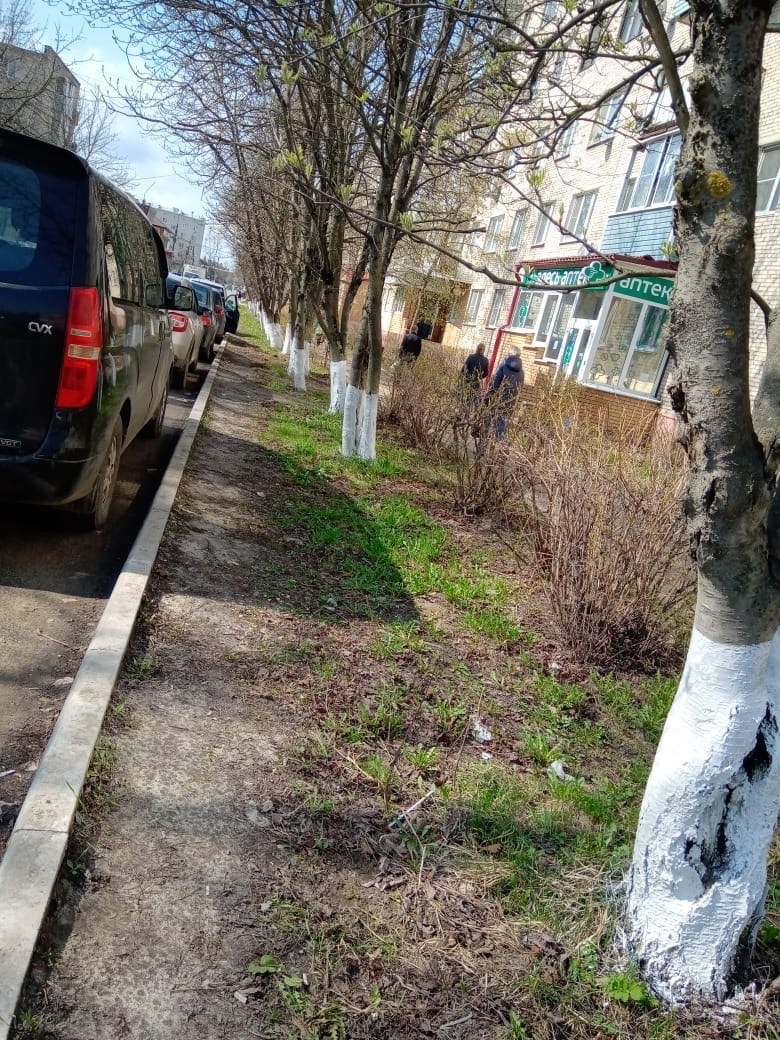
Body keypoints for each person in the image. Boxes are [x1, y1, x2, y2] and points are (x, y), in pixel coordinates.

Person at [484, 352, 524, 439]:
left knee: (488, 421)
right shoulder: (522, 372)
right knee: (502, 425)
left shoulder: (503, 367)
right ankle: (498, 443)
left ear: (509, 354)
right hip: (510, 403)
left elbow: (494, 385)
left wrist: (488, 398)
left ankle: (484, 442)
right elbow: (520, 388)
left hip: (497, 401)